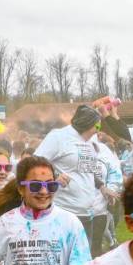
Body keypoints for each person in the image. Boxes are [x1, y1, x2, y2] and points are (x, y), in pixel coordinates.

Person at [35, 105, 100, 247]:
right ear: (87, 124)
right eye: (97, 126)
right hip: (64, 211)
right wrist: (54, 177)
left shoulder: (90, 142)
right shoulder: (59, 136)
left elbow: (86, 172)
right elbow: (35, 163)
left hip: (87, 213)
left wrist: (102, 186)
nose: (98, 130)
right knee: (60, 260)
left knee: (82, 263)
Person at [91, 134, 123, 257]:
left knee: (95, 250)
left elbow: (115, 173)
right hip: (76, 211)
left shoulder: (104, 151)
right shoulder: (70, 147)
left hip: (99, 210)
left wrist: (112, 190)